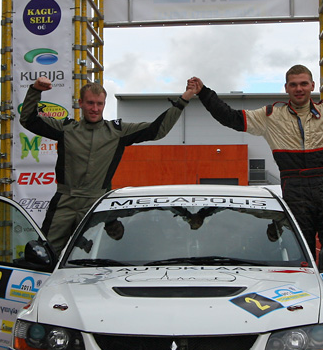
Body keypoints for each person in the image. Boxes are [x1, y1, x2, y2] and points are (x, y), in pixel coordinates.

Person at [189, 49, 323, 251]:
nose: (299, 89)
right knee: (301, 253)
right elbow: (231, 117)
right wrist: (205, 93)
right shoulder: (270, 116)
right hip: (294, 190)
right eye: (293, 85)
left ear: (312, 85)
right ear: (286, 88)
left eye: (303, 84)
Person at [20, 76, 197, 254]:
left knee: (95, 254)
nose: (95, 109)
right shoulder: (66, 129)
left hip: (97, 203)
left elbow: (157, 130)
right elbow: (28, 120)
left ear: (105, 104)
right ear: (80, 103)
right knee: (46, 253)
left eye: (99, 104)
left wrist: (184, 98)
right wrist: (36, 90)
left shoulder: (117, 132)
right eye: (90, 103)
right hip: (64, 201)